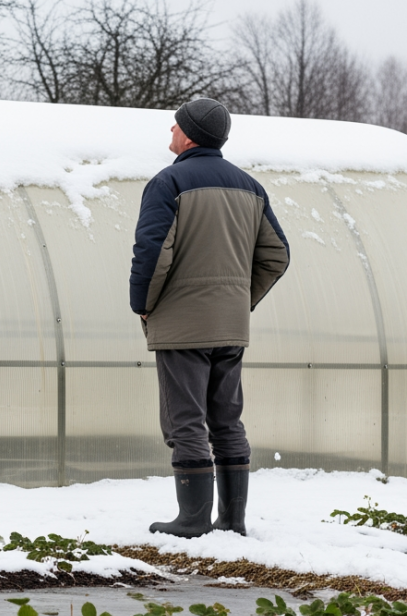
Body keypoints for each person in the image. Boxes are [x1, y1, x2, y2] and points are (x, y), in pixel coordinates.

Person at [129, 98, 290, 538]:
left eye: (175, 127)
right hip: (230, 325)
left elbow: (153, 251)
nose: (170, 134)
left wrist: (142, 303)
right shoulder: (251, 187)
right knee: (226, 418)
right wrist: (239, 298)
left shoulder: (169, 183)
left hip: (182, 325)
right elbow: (277, 255)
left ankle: (193, 519)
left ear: (190, 134)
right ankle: (232, 520)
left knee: (185, 419)